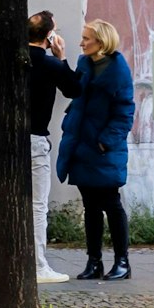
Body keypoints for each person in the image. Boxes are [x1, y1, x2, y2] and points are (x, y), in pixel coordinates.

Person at [57, 19, 136, 280]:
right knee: (90, 207)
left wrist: (105, 141)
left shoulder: (117, 70)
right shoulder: (84, 63)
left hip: (103, 149)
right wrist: (61, 60)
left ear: (101, 42)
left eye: (86, 38)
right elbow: (74, 90)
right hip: (81, 145)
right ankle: (94, 262)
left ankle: (122, 263)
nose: (82, 43)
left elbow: (125, 113)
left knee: (112, 205)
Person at [28, 11, 72, 282]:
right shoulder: (49, 64)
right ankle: (38, 265)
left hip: (6, 141)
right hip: (34, 140)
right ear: (50, 36)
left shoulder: (13, 60)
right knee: (37, 206)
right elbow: (74, 89)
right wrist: (61, 56)